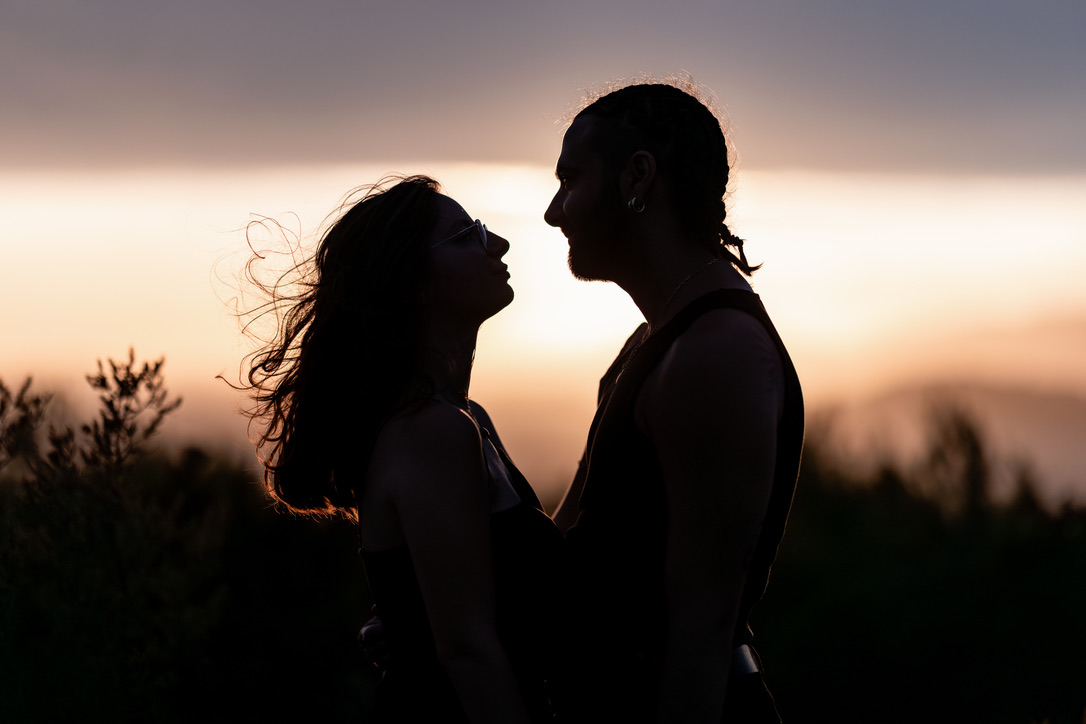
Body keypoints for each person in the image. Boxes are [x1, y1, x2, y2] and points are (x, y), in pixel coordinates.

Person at [241, 176, 565, 723]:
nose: (498, 244)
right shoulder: (431, 433)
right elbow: (467, 654)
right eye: (466, 235)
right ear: (413, 284)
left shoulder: (466, 421)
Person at [544, 81, 804, 722]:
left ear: (638, 175)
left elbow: (701, 626)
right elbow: (571, 548)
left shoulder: (716, 355)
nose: (555, 212)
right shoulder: (655, 344)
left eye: (571, 181)